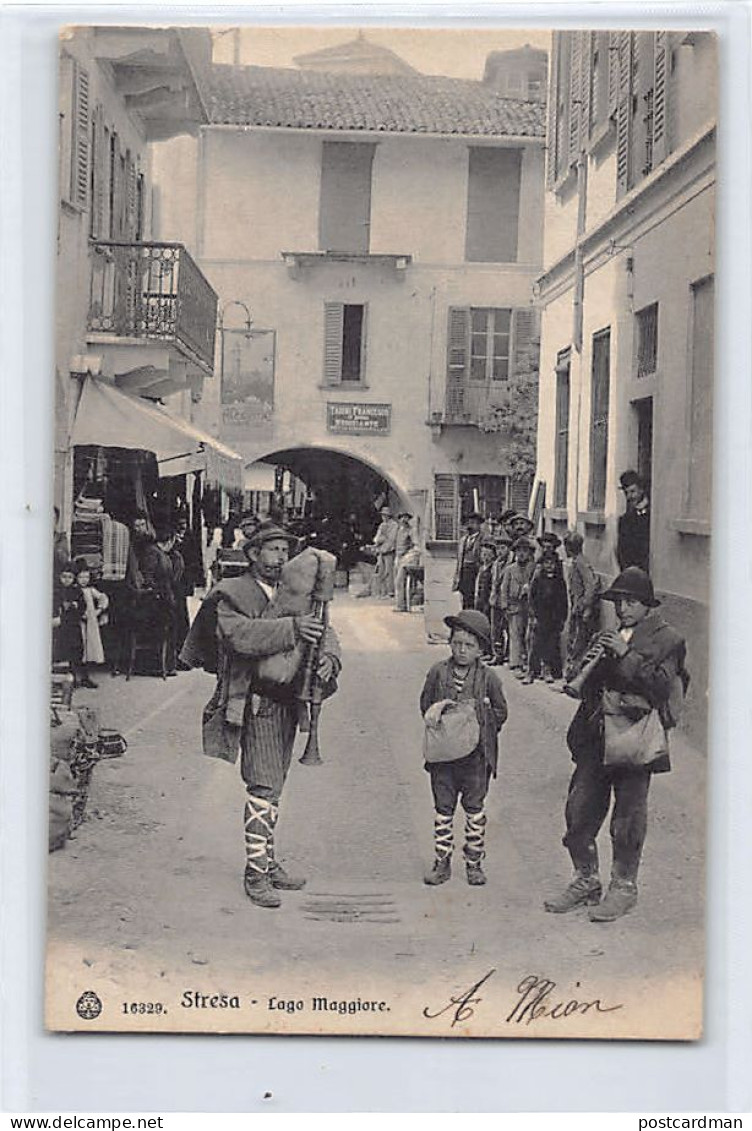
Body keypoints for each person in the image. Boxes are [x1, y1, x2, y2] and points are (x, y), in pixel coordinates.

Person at [182, 521, 341, 910]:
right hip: (254, 701)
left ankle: (267, 863)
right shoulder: (232, 593)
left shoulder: (295, 590)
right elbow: (240, 636)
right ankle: (255, 873)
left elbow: (324, 628)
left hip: (289, 700)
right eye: (272, 550)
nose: (281, 557)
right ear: (252, 554)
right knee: (263, 787)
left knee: (274, 786)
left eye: (285, 550)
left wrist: (330, 658)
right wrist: (292, 628)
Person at [544, 567, 689, 922]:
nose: (622, 607)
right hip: (596, 735)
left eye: (630, 602)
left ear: (646, 605)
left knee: (627, 819)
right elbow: (588, 683)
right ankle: (586, 879)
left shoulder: (668, 640)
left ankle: (623, 887)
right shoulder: (611, 632)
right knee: (578, 810)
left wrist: (626, 654)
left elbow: (658, 688)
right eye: (618, 601)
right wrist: (586, 664)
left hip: (633, 738)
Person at [420, 610, 507, 886]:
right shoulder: (438, 673)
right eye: (457, 643)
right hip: (443, 758)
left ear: (481, 650)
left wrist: (476, 724)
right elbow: (425, 704)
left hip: (476, 759)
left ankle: (474, 861)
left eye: (469, 645)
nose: (461, 650)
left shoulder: (488, 679)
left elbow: (501, 712)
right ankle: (442, 860)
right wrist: (445, 722)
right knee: (443, 810)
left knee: (474, 809)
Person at [525, 551, 568, 684]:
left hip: (554, 618)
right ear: (542, 564)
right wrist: (533, 615)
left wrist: (562, 618)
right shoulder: (538, 579)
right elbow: (531, 598)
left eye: (552, 563)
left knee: (551, 644)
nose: (549, 566)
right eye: (546, 563)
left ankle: (547, 670)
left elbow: (563, 601)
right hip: (540, 616)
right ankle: (532, 671)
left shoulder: (559, 581)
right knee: (536, 644)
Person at [563, 530, 600, 684]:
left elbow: (591, 584)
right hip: (577, 608)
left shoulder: (580, 562)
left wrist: (585, 605)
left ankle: (575, 678)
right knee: (574, 641)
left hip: (582, 610)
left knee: (579, 643)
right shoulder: (577, 561)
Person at [499, 537, 535, 675]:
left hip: (529, 605)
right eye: (519, 551)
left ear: (530, 553)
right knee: (515, 634)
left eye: (525, 551)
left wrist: (529, 589)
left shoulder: (533, 568)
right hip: (514, 605)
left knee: (528, 634)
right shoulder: (510, 569)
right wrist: (504, 604)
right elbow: (504, 588)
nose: (521, 554)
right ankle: (515, 662)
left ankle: (528, 661)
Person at [74, 560, 109, 688]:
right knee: (79, 648)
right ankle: (75, 677)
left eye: (86, 577)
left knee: (88, 648)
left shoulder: (90, 590)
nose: (84, 580)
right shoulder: (74, 590)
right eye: (81, 577)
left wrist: (98, 610)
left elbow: (103, 598)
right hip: (78, 623)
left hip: (90, 623)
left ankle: (85, 677)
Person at [52, 562, 85, 686]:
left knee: (75, 650)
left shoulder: (76, 591)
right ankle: (60, 678)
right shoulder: (56, 591)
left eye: (70, 577)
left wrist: (75, 607)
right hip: (59, 625)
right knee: (59, 649)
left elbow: (82, 607)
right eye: (64, 577)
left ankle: (76, 677)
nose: (66, 580)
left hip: (72, 625)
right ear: (59, 577)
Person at [616, 470, 651, 573]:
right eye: (626, 493)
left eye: (632, 491)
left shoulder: (653, 516)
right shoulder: (625, 520)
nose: (629, 497)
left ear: (641, 490)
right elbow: (622, 551)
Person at [488, 534, 513, 665]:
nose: (500, 551)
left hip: (508, 601)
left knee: (509, 628)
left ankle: (509, 654)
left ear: (509, 549)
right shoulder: (495, 564)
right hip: (495, 600)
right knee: (495, 629)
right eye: (497, 549)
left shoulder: (511, 564)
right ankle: (497, 654)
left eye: (503, 548)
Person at [452, 513, 483, 610]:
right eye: (469, 523)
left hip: (476, 571)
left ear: (479, 525)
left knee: (475, 598)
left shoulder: (484, 539)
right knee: (465, 597)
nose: (470, 526)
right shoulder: (463, 540)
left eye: (473, 523)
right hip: (464, 572)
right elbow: (459, 559)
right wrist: (457, 576)